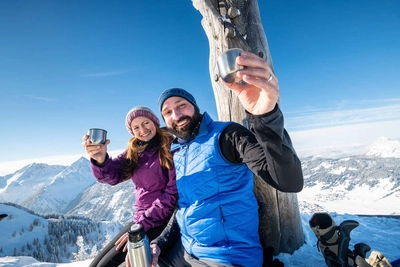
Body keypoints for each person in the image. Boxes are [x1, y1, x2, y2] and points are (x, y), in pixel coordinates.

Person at [150, 51, 304, 267]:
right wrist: (159, 241)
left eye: (181, 105)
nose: (176, 115)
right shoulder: (179, 153)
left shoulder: (226, 136)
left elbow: (289, 181)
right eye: (168, 112)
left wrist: (266, 116)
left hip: (226, 258)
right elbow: (185, 207)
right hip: (185, 252)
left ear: (194, 107)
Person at [82, 106, 178, 267]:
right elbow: (112, 176)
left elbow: (172, 195)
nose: (142, 130)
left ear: (154, 122)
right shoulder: (135, 150)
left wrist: (143, 224)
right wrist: (100, 159)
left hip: (161, 221)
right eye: (136, 127)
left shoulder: (170, 147)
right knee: (96, 265)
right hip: (141, 219)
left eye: (146, 123)